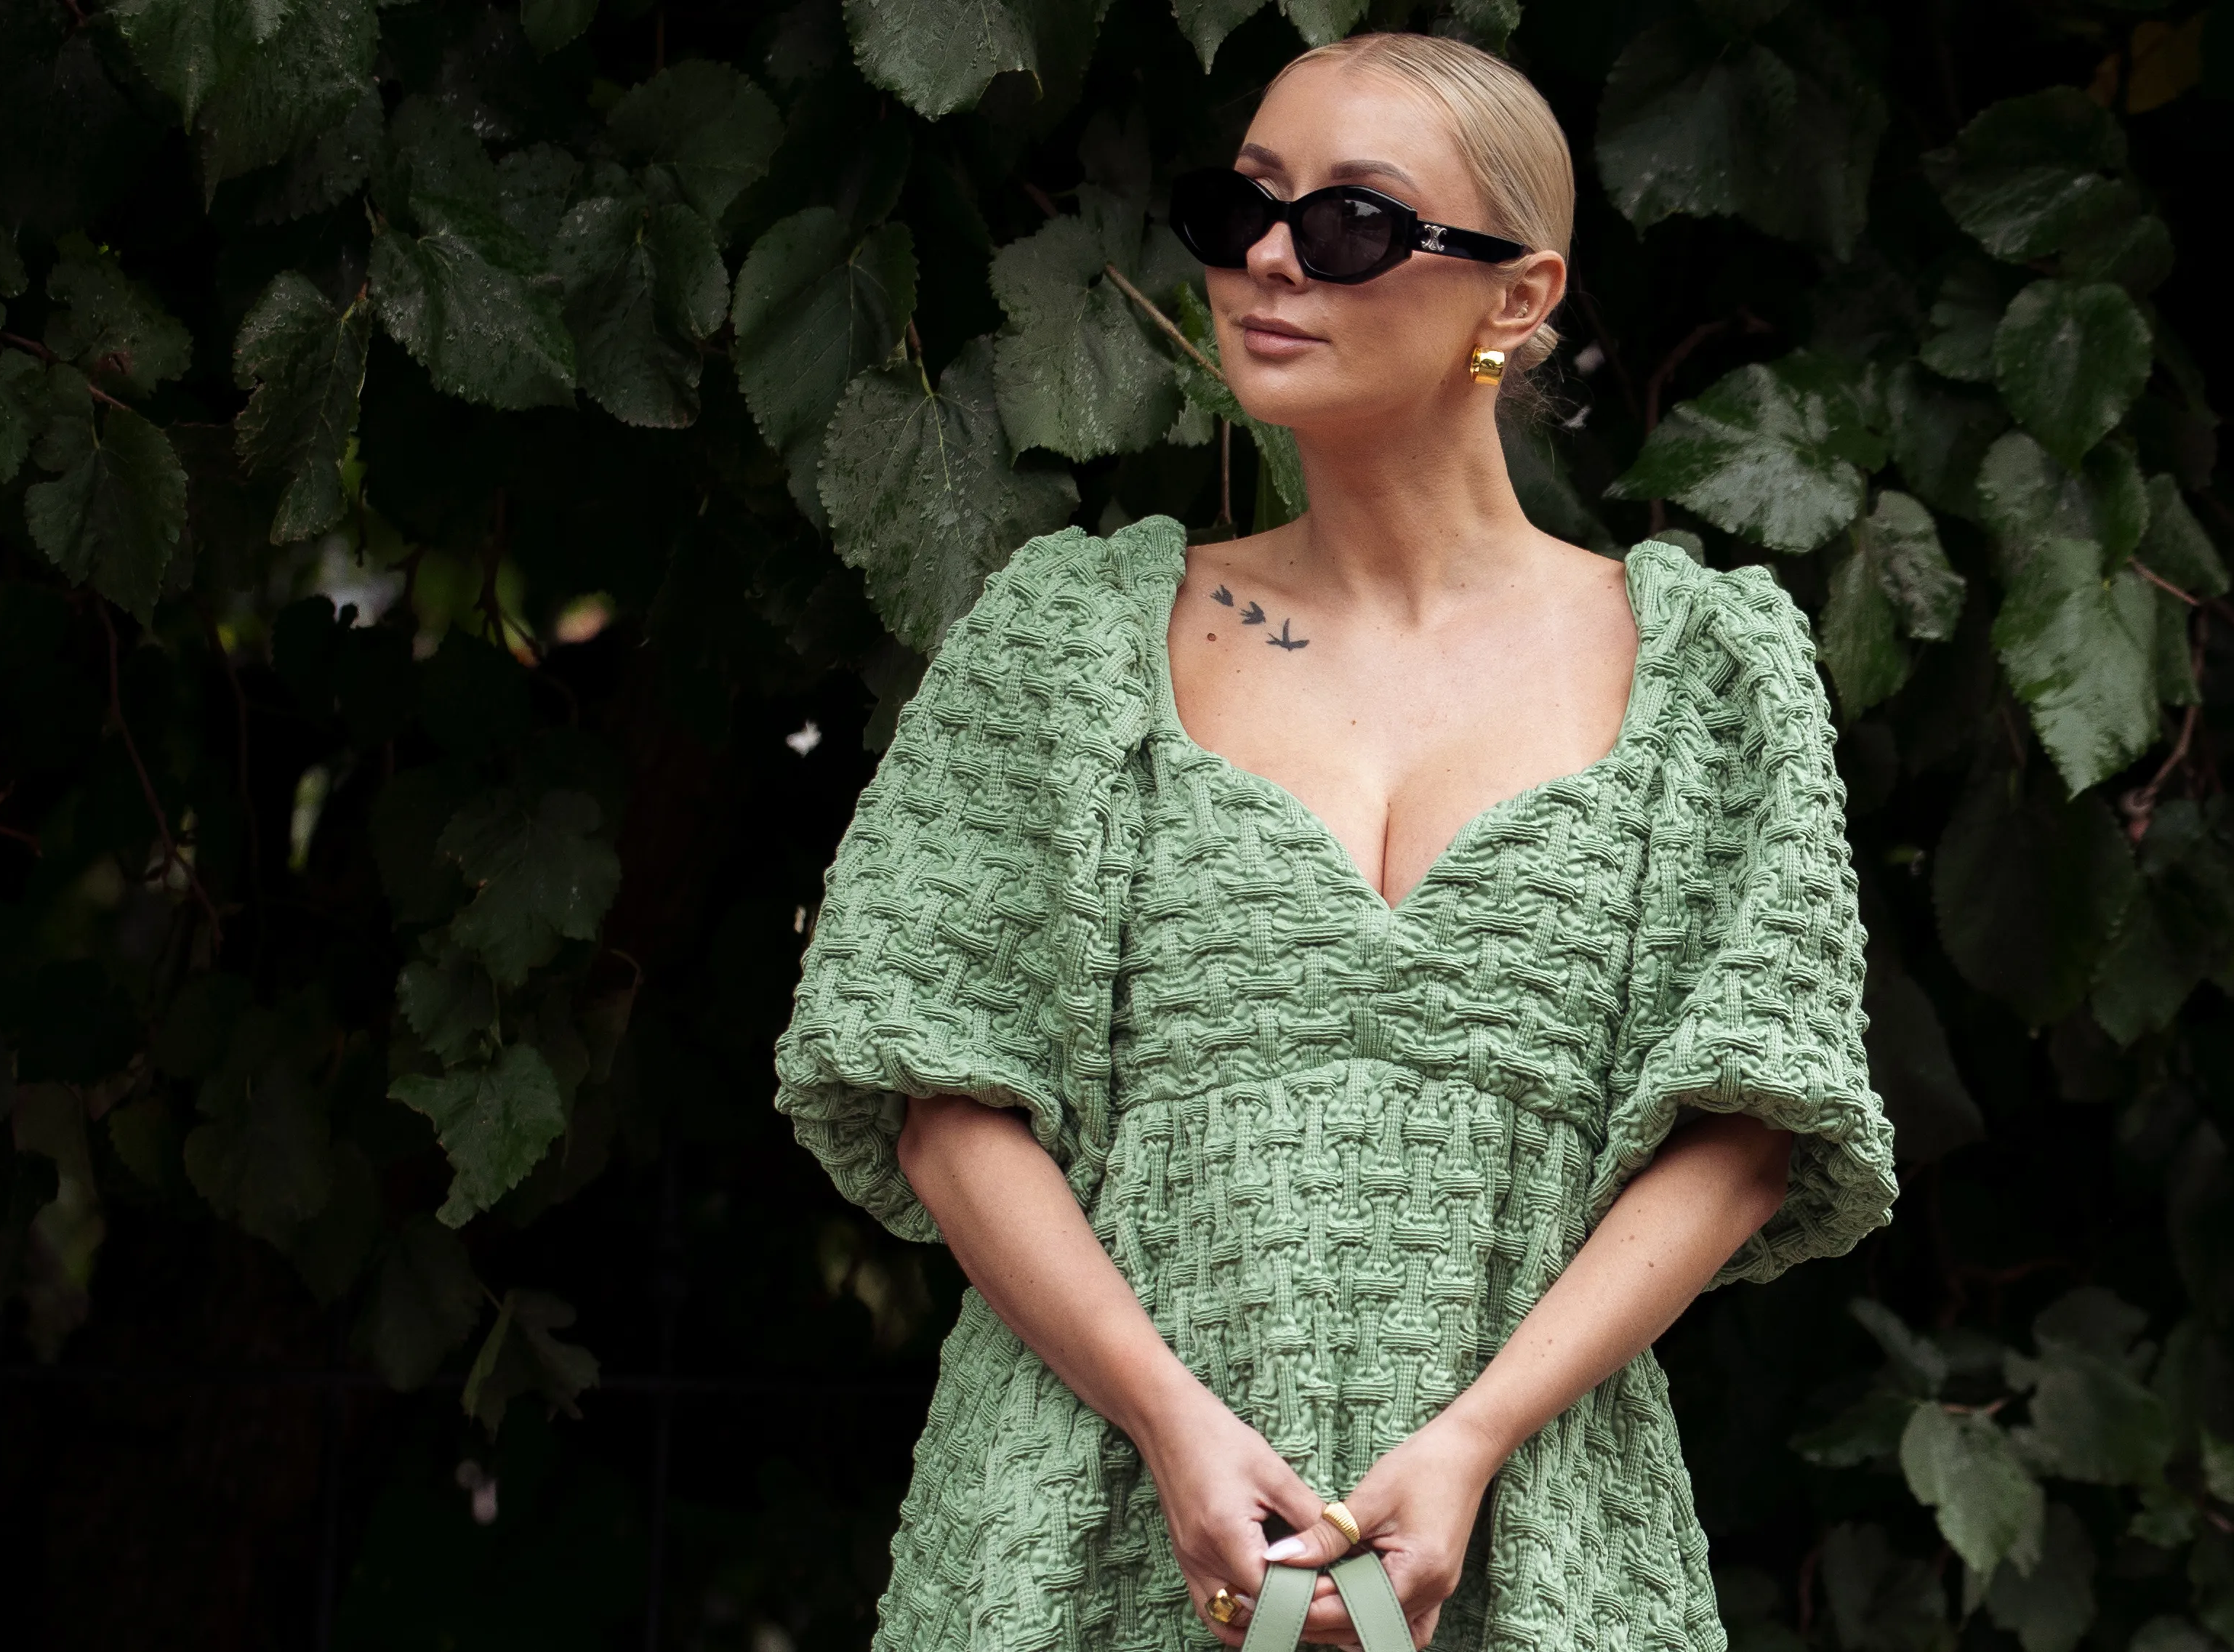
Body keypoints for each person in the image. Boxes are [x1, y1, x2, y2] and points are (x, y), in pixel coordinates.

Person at [773, 32, 1895, 1652]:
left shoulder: (1711, 667)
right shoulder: (1069, 637)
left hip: (1534, 1513)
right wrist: (1169, 1421)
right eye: (1242, 210)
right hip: (1085, 1503)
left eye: (1354, 223)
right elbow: (937, 1084)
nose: (1269, 261)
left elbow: (1750, 1118)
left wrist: (1471, 1438)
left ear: (1515, 297)